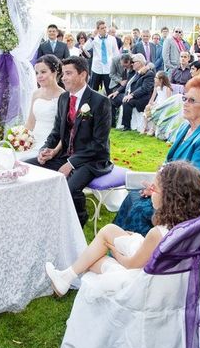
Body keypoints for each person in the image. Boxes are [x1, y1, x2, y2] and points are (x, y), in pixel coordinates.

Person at [45, 161, 200, 296]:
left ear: (170, 197)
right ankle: (66, 277)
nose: (149, 191)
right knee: (109, 230)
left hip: (144, 283)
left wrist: (113, 250)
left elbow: (131, 265)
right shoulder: (195, 224)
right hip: (170, 274)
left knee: (95, 259)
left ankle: (66, 277)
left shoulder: (157, 233)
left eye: (153, 188)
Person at [114, 77, 200, 236]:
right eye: (185, 98)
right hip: (174, 193)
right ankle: (120, 247)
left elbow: (194, 184)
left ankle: (139, 256)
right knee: (133, 198)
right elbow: (168, 163)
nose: (185, 103)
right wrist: (155, 186)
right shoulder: (186, 127)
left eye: (192, 100)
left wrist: (158, 192)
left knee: (140, 210)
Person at [26, 56, 113, 227]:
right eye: (63, 73)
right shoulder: (64, 98)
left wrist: (71, 164)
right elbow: (56, 132)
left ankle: (78, 222)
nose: (63, 77)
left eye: (68, 73)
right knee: (29, 167)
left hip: (92, 160)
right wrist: (46, 149)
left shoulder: (100, 102)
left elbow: (99, 144)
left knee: (70, 188)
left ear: (82, 75)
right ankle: (40, 214)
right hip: (66, 155)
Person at [24, 55, 64, 153]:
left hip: (52, 143)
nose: (39, 76)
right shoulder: (36, 93)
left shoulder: (63, 96)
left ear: (54, 72)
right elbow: (30, 122)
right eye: (37, 73)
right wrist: (22, 139)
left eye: (43, 72)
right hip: (33, 140)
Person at [110, 54, 155, 131]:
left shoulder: (148, 73)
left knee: (127, 102)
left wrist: (132, 95)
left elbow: (144, 89)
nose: (132, 64)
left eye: (133, 62)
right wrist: (117, 92)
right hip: (128, 94)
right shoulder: (133, 72)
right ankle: (111, 123)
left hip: (141, 97)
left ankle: (126, 126)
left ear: (140, 63)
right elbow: (127, 84)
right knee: (111, 99)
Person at [84, 20, 118, 94]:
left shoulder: (112, 39)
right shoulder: (94, 39)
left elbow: (116, 54)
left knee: (110, 91)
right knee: (93, 91)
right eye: (102, 28)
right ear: (98, 29)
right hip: (97, 68)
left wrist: (116, 68)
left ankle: (110, 105)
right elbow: (85, 48)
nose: (104, 29)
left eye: (105, 27)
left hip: (109, 69)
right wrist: (92, 36)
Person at [142, 71, 172, 136]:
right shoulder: (157, 88)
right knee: (147, 107)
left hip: (163, 106)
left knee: (154, 110)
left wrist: (158, 105)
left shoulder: (167, 89)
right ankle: (145, 127)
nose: (154, 79)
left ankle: (153, 128)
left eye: (156, 77)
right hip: (157, 104)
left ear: (161, 80)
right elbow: (153, 98)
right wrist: (150, 104)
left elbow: (168, 101)